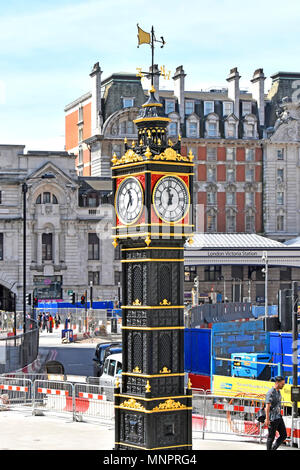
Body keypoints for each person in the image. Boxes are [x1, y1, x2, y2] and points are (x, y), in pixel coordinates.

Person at [265, 375, 287, 450]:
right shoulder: (270, 393)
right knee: (271, 437)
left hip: (278, 417)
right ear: (277, 383)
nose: (283, 386)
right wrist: (267, 419)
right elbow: (267, 407)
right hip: (272, 418)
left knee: (284, 435)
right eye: (282, 384)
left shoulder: (278, 392)